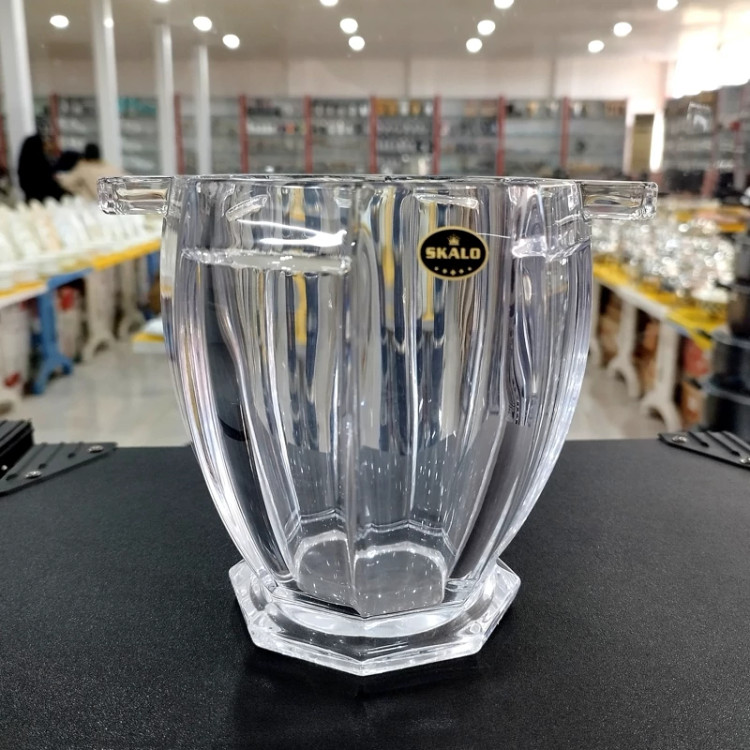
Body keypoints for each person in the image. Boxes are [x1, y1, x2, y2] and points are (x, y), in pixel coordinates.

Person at [56, 143, 123, 201]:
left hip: (96, 205)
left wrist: (58, 176)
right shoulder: (111, 167)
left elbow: (66, 183)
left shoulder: (84, 167)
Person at [17, 133, 67, 203]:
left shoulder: (24, 164)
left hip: (31, 201)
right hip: (45, 201)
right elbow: (48, 184)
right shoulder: (40, 164)